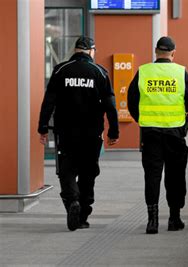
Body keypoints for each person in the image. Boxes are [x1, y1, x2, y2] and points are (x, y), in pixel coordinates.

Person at [38, 36, 119, 231]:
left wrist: (42, 128)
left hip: (65, 133)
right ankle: (82, 215)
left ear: (75, 50)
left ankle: (72, 201)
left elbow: (48, 101)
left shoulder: (60, 70)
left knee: (66, 170)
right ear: (91, 51)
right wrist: (113, 132)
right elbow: (110, 105)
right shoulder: (100, 72)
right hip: (92, 134)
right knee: (88, 173)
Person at [127, 36, 188, 234]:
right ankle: (174, 218)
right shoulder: (180, 72)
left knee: (152, 176)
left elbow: (132, 101)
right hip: (175, 132)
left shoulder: (143, 71)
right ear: (173, 53)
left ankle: (152, 221)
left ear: (155, 52)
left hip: (150, 133)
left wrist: (142, 118)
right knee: (175, 176)